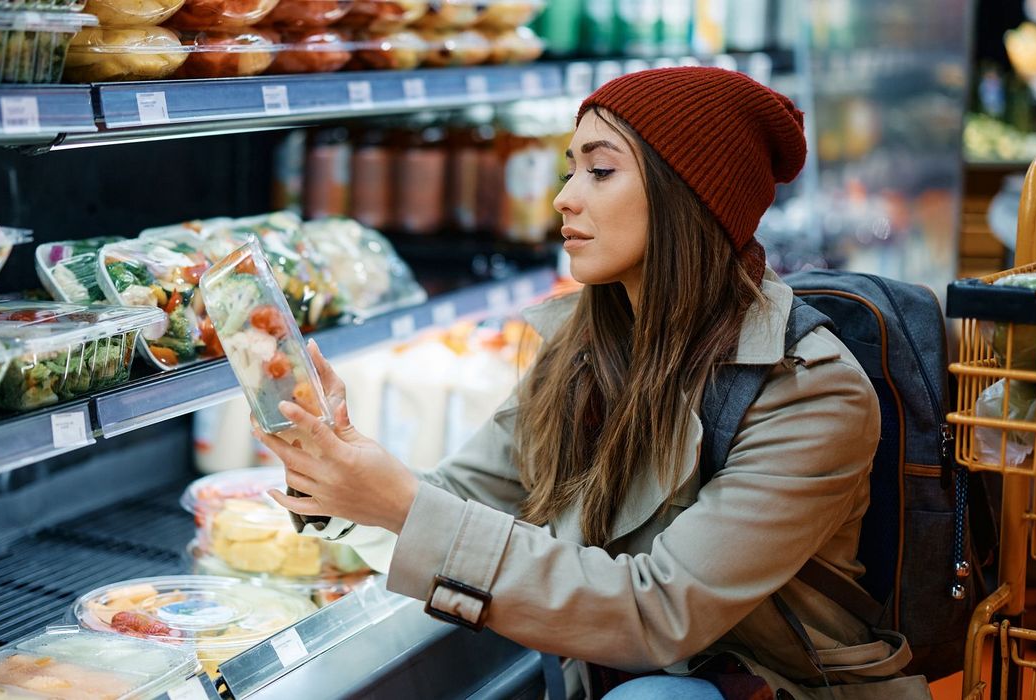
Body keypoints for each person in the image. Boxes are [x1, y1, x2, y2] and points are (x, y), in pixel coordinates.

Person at [258, 68, 929, 699]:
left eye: (601, 170)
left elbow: (656, 611)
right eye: (569, 168)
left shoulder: (808, 393)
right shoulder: (584, 349)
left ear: (688, 196)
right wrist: (336, 471)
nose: (563, 197)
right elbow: (468, 499)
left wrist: (402, 506)